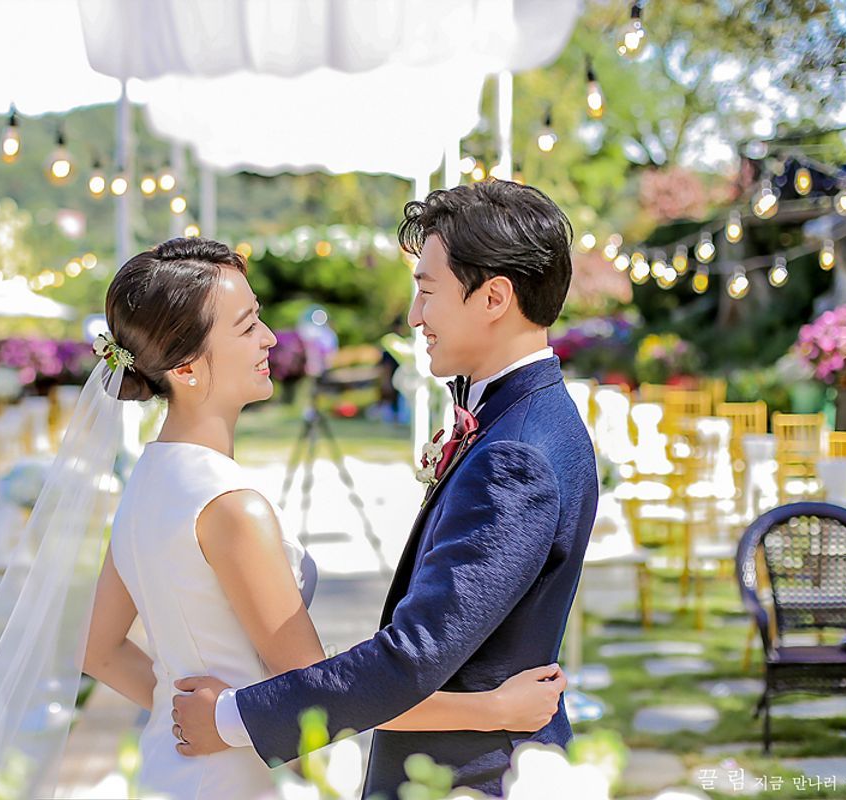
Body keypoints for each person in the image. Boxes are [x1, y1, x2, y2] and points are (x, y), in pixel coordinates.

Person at [0, 237, 566, 800]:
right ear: (187, 367)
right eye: (247, 326)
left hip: (170, 769)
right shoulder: (231, 507)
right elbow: (324, 695)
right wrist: (492, 709)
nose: (270, 339)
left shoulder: (149, 477)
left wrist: (195, 712)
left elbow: (97, 648)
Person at [172, 181, 598, 798]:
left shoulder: (517, 455)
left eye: (427, 290)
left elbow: (411, 658)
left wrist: (231, 719)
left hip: (468, 779)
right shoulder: (524, 418)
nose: (415, 316)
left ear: (494, 298)